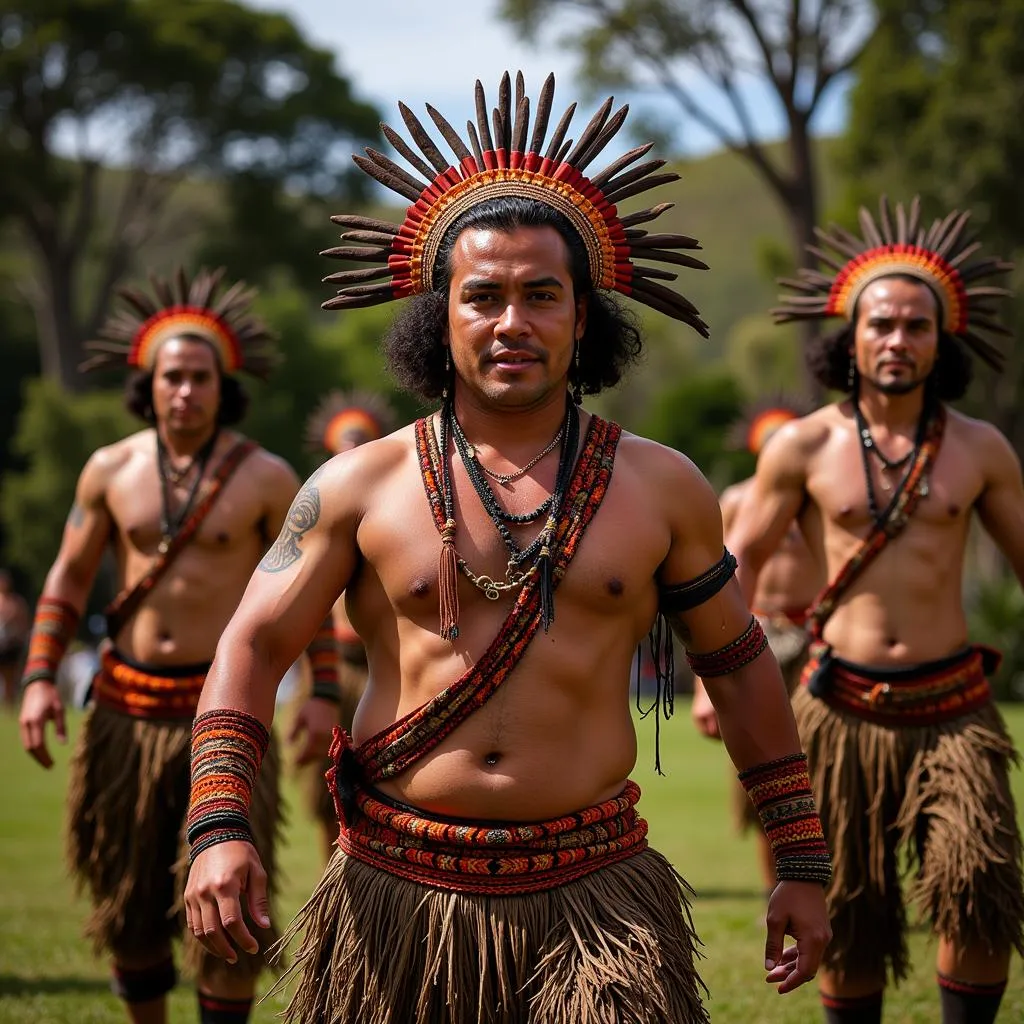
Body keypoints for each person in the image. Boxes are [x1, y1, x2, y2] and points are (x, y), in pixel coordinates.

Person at [183, 71, 832, 1024]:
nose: (512, 323)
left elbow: (737, 671)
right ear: (439, 318)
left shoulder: (663, 487)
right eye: (482, 296)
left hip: (598, 905)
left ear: (584, 316)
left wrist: (800, 860)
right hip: (395, 900)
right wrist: (219, 823)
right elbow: (250, 646)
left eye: (543, 295)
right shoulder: (359, 486)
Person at [17, 267, 342, 1024]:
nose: (186, 392)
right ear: (150, 382)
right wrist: (38, 678)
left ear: (223, 386)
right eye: (173, 377)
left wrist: (324, 692)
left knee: (231, 909)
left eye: (200, 378)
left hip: (222, 722)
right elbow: (66, 581)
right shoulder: (110, 470)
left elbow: (309, 594)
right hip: (124, 714)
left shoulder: (265, 479)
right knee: (130, 904)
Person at [728, 196, 1024, 1024]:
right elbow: (738, 562)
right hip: (839, 708)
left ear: (941, 340)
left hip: (956, 711)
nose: (898, 341)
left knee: (978, 889)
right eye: (882, 325)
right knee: (850, 912)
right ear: (850, 337)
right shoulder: (805, 446)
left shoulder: (979, 449)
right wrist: (723, 681)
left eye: (916, 327)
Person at [692, 397, 824, 893]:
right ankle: (777, 885)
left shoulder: (819, 499)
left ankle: (824, 881)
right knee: (767, 772)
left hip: (815, 639)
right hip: (757, 637)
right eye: (769, 444)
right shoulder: (738, 499)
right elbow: (719, 575)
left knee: (824, 768)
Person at [298, 389, 397, 861]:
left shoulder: (396, 505)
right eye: (346, 442)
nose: (353, 450)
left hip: (382, 669)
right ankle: (329, 868)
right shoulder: (315, 508)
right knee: (326, 795)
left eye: (363, 441)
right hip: (331, 667)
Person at [0, 568, 30, 706]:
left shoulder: (16, 602)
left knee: (11, 677)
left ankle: (9, 704)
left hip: (12, 644)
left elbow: (24, 623)